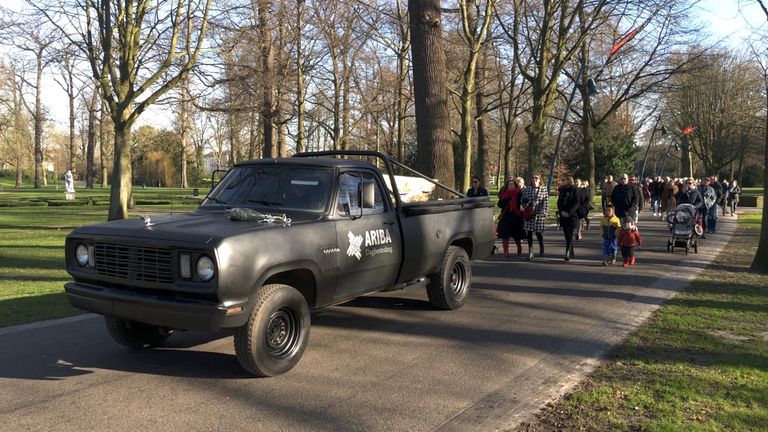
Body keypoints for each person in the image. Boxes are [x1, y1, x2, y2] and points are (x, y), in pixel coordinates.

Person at [520, 173, 549, 260]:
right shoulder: (527, 190)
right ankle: (530, 251)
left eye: (536, 178)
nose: (534, 180)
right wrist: (530, 204)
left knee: (538, 232)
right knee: (529, 232)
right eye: (533, 178)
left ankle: (541, 245)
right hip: (529, 214)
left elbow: (546, 202)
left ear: (540, 179)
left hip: (539, 214)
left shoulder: (543, 190)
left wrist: (543, 212)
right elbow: (523, 201)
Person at [496, 178, 526, 257]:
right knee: (505, 235)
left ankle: (519, 248)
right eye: (509, 184)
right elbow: (499, 204)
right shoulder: (504, 193)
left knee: (517, 236)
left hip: (516, 216)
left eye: (512, 184)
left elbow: (523, 203)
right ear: (507, 185)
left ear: (515, 185)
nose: (510, 185)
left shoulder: (519, 193)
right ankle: (506, 252)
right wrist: (507, 199)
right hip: (506, 216)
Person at [557, 176, 580, 262]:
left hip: (573, 215)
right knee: (567, 234)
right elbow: (559, 202)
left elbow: (577, 203)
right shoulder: (562, 190)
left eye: (564, 180)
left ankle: (567, 252)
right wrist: (562, 211)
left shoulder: (575, 189)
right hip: (563, 215)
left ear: (569, 181)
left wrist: (569, 213)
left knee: (570, 233)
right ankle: (571, 248)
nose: (563, 182)